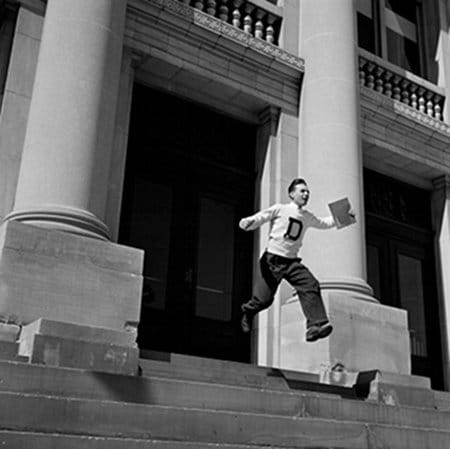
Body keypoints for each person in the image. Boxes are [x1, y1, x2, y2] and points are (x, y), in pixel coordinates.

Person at [239, 178, 347, 342]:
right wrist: (247, 222)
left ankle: (315, 326)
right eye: (302, 191)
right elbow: (262, 217)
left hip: (291, 262)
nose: (306, 194)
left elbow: (324, 223)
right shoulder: (280, 209)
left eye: (307, 192)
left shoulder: (307, 216)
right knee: (264, 300)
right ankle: (248, 311)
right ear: (291, 194)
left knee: (311, 285)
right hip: (272, 260)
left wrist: (344, 214)